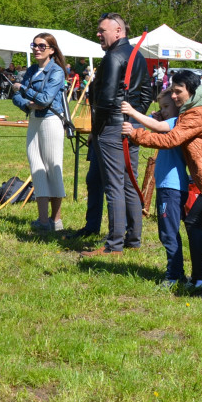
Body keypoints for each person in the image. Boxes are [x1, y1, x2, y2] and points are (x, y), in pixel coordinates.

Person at [124, 71, 202, 288]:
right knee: (201, 224)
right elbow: (173, 128)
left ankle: (198, 281)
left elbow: (172, 139)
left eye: (178, 91)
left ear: (191, 90)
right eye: (172, 91)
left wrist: (136, 134)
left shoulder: (196, 113)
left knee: (194, 223)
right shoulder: (195, 110)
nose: (173, 96)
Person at [82, 13, 153, 257]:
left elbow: (106, 99)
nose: (98, 34)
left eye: (102, 30)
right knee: (128, 182)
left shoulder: (113, 57)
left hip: (112, 128)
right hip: (128, 127)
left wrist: (97, 129)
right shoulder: (137, 56)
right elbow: (146, 94)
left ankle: (114, 245)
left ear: (118, 32)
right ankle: (132, 238)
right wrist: (133, 119)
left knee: (115, 185)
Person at [121, 90, 188, 286]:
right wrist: (151, 116)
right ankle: (176, 273)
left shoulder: (176, 123)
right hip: (167, 186)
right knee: (165, 231)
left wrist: (132, 112)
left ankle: (174, 275)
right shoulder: (166, 124)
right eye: (161, 108)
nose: (163, 111)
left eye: (167, 107)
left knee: (168, 232)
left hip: (172, 187)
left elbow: (158, 126)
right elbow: (151, 125)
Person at [12, 33, 68, 233]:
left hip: (51, 121)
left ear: (52, 49)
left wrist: (24, 90)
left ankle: (56, 220)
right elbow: (16, 96)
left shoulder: (57, 71)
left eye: (42, 46)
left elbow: (44, 99)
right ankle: (43, 220)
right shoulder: (33, 70)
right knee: (36, 168)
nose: (37, 49)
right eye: (34, 45)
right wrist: (28, 103)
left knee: (54, 168)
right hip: (34, 120)